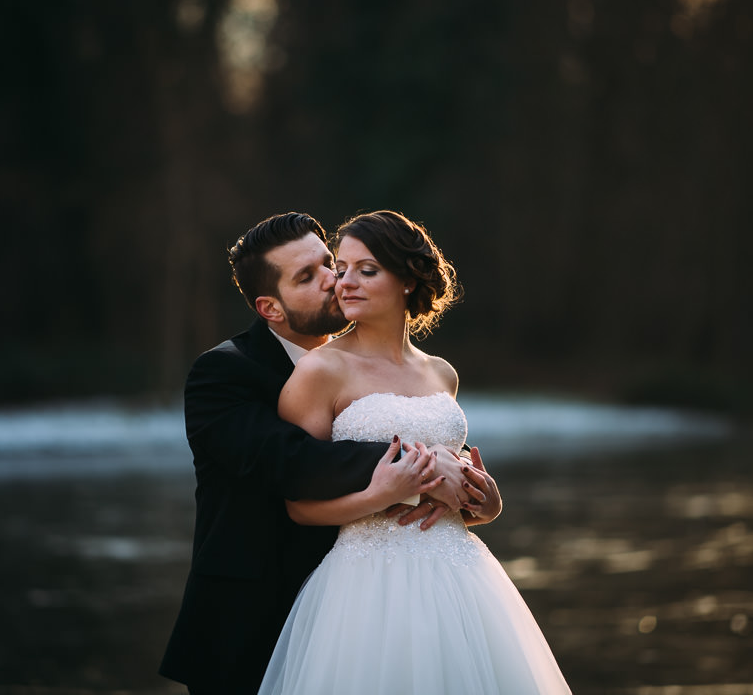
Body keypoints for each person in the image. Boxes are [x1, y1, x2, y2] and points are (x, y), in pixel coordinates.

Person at [159, 212, 500, 695]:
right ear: (271, 308)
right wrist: (425, 465)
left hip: (389, 600)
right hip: (252, 617)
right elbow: (291, 461)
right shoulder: (222, 374)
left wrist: (472, 494)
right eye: (308, 276)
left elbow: (433, 464)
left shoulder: (400, 365)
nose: (334, 280)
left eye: (328, 263)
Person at [257, 210, 571, 695]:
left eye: (368, 269)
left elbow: (451, 492)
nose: (346, 282)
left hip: (461, 576)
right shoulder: (322, 372)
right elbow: (296, 505)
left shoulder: (441, 373)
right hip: (365, 584)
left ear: (406, 279)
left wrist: (485, 503)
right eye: (341, 269)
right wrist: (379, 494)